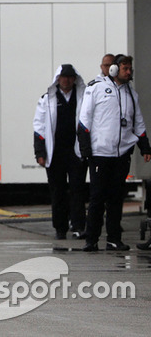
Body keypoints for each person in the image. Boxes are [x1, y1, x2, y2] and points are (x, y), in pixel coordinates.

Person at [77, 54, 151, 251]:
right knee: (97, 198)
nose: (129, 73)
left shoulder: (131, 95)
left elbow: (138, 123)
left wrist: (145, 147)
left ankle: (114, 239)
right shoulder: (96, 88)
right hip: (100, 153)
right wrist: (86, 150)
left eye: (130, 69)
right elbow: (84, 120)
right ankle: (91, 239)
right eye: (125, 69)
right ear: (114, 69)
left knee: (116, 198)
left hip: (121, 154)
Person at [33, 64, 87, 240]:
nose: (67, 80)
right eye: (64, 77)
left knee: (78, 190)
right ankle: (60, 227)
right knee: (58, 191)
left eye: (70, 77)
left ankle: (79, 225)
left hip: (76, 151)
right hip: (54, 153)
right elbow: (39, 127)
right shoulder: (47, 99)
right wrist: (40, 153)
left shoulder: (83, 97)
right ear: (58, 79)